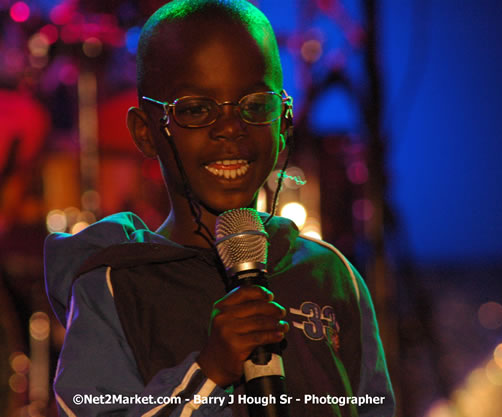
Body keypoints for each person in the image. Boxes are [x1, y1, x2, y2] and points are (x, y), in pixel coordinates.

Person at [44, 1, 394, 416]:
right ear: (146, 132)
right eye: (195, 109)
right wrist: (208, 373)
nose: (230, 128)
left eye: (255, 105)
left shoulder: (332, 276)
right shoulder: (113, 285)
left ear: (283, 123)